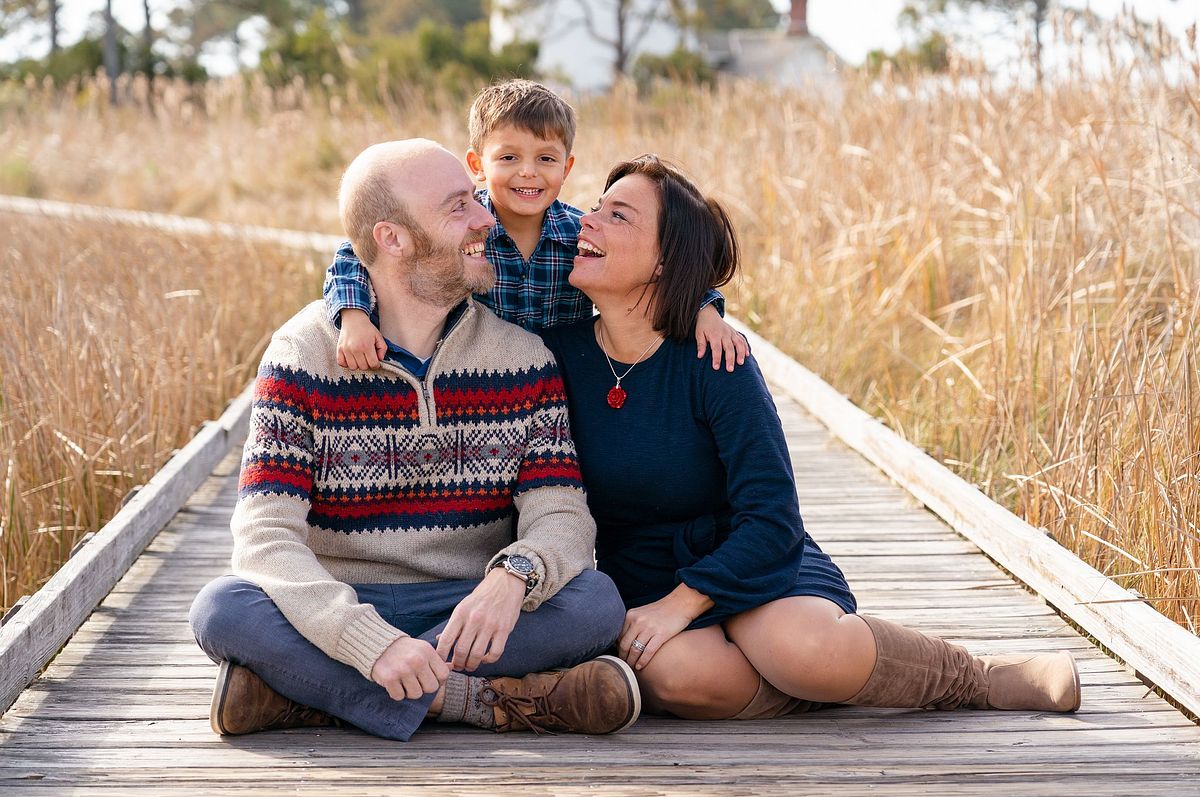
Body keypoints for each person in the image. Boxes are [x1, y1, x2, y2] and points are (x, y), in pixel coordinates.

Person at [539, 154, 1081, 720]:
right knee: (678, 679)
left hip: (749, 554)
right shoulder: (556, 355)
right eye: (595, 209)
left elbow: (772, 517)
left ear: (664, 261)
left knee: (805, 646)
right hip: (643, 571)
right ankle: (823, 684)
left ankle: (976, 677)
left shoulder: (715, 358)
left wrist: (685, 603)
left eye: (618, 216)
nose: (587, 222)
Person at [188, 139, 642, 742]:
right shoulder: (302, 356)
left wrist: (514, 577)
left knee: (594, 601)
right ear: (392, 238)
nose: (487, 218)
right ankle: (476, 700)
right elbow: (265, 536)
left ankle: (310, 695)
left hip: (469, 602)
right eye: (459, 208)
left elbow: (561, 513)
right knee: (223, 609)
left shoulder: (523, 358)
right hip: (341, 599)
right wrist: (368, 644)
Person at [324, 78, 750, 374]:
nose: (528, 173)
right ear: (477, 165)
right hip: (474, 381)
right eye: (508, 158)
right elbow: (356, 253)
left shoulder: (578, 234)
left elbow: (652, 267)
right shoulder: (467, 228)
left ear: (566, 168)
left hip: (563, 391)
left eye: (545, 159)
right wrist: (354, 315)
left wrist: (705, 310)